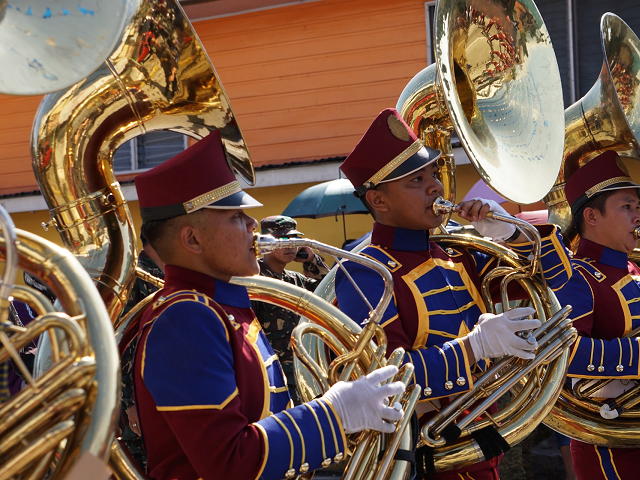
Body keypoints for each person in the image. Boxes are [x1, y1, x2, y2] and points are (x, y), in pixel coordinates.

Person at [131, 130, 406, 480]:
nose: (253, 226)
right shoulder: (187, 317)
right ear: (192, 239)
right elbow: (230, 463)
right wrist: (334, 414)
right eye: (236, 217)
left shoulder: (220, 307)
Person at [334, 108, 541, 480]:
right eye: (416, 180)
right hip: (424, 460)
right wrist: (474, 348)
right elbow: (383, 379)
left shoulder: (459, 253)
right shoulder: (364, 270)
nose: (436, 186)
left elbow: (544, 277)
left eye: (433, 174)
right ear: (379, 201)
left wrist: (511, 233)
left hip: (483, 442)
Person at [498, 150, 640, 480]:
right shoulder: (578, 277)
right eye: (627, 207)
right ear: (591, 216)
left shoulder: (632, 269)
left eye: (638, 207)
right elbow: (564, 352)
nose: (637, 216)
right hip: (612, 445)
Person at [252, 215, 329, 404]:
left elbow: (329, 289)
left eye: (294, 240)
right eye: (282, 240)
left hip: (302, 372)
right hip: (272, 376)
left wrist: (311, 260)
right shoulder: (255, 278)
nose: (290, 245)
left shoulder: (295, 280)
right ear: (267, 242)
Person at [120, 234, 165, 470]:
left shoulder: (166, 273)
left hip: (165, 386)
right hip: (139, 392)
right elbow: (125, 342)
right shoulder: (135, 276)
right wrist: (130, 402)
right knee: (143, 463)